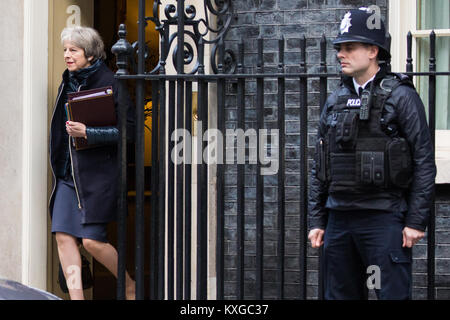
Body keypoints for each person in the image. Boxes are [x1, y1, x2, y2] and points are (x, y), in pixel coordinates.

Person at [308, 8, 436, 300]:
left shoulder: (402, 97)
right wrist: (317, 220)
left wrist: (416, 221)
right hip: (339, 220)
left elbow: (424, 162)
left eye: (349, 47)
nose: (341, 54)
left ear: (373, 51)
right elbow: (320, 164)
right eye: (340, 48)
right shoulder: (335, 99)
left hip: (383, 219)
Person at [49, 26, 136, 300]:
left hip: (98, 177)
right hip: (66, 176)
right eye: (65, 49)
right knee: (63, 237)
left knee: (92, 242)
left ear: (90, 53)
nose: (67, 55)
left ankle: (130, 286)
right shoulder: (68, 81)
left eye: (73, 50)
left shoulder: (111, 82)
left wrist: (88, 132)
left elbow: (129, 132)